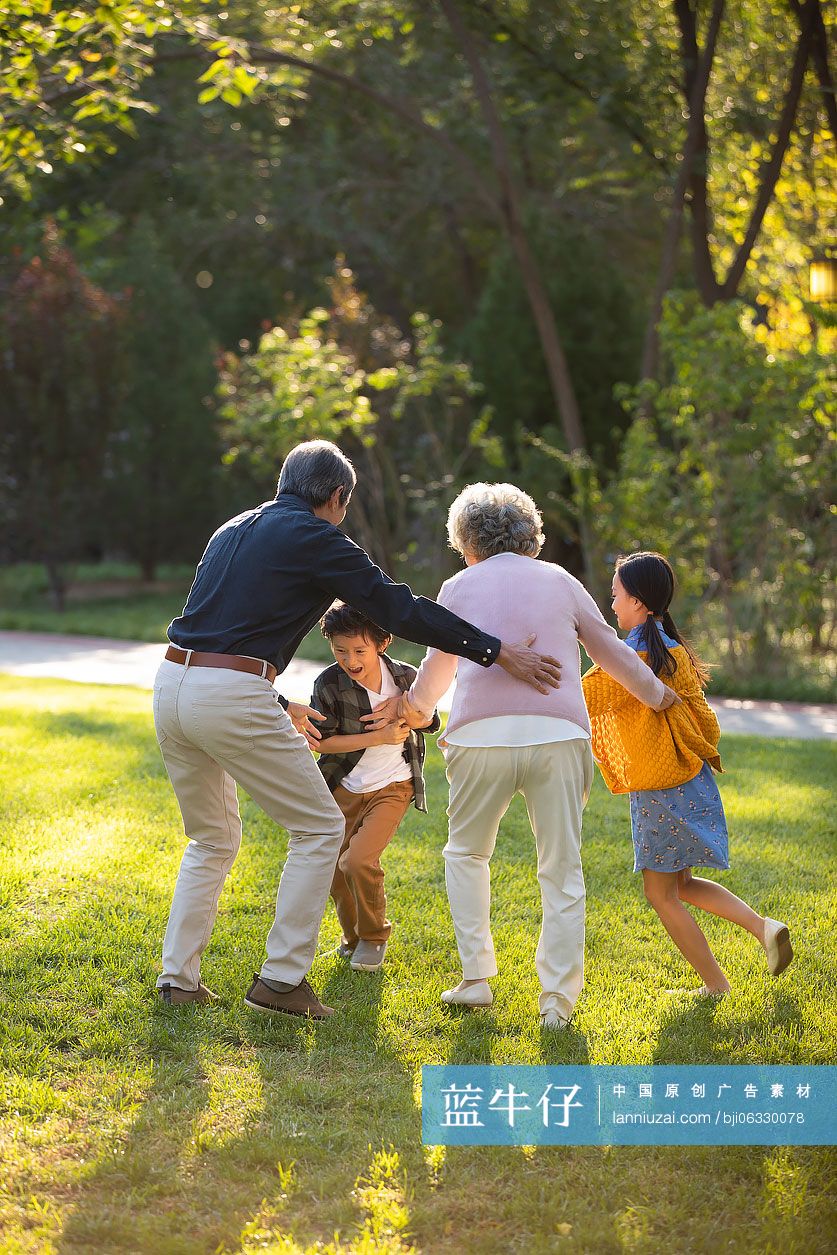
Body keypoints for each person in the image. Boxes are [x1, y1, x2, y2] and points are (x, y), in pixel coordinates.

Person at [152, 442, 561, 1020]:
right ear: (337, 497)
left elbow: (217, 632)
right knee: (320, 827)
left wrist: (271, 697)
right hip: (230, 691)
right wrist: (494, 651)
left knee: (211, 839)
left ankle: (178, 980)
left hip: (172, 684)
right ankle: (281, 978)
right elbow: (398, 609)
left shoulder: (232, 529)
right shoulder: (317, 538)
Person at [393, 483, 679, 1029]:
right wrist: (659, 695)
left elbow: (436, 672)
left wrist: (413, 710)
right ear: (530, 533)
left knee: (467, 854)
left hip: (480, 741)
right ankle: (557, 1003)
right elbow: (612, 652)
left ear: (465, 538)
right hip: (558, 738)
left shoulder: (457, 585)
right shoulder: (560, 580)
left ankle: (476, 979)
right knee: (561, 868)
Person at [582, 550, 793, 997]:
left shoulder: (635, 655)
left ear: (638, 602)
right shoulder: (669, 648)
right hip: (691, 781)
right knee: (682, 883)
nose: (612, 604)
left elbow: (582, 699)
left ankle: (715, 985)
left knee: (661, 895)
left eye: (616, 595)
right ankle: (763, 927)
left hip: (661, 789)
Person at [310, 602, 440, 973]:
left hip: (393, 786)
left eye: (359, 651)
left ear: (382, 643)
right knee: (334, 869)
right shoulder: (328, 684)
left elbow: (431, 722)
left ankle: (373, 937)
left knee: (358, 860)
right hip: (344, 787)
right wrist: (378, 737)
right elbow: (323, 743)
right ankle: (351, 939)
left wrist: (407, 708)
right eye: (340, 650)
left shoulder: (406, 677)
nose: (350, 660)